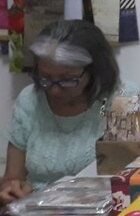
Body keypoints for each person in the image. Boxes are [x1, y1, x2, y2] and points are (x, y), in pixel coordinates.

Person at [1, 20, 123, 205]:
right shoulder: (30, 101)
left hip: (102, 208)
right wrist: (12, 191)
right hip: (38, 212)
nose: (55, 90)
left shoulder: (120, 101)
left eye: (68, 79)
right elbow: (12, 178)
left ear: (95, 72)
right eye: (45, 78)